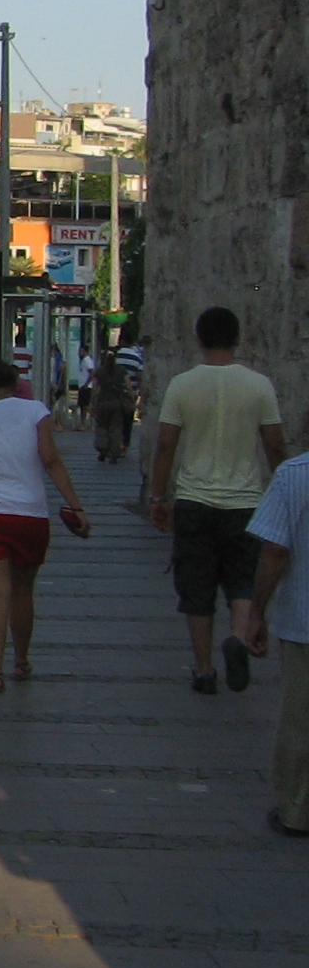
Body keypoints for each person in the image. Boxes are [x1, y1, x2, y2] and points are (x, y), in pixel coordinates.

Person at [149, 306, 286, 693]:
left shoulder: (182, 385)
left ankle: (204, 669)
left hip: (194, 500)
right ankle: (239, 639)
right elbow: (274, 444)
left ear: (199, 339)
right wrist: (284, 489)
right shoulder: (259, 386)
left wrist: (159, 496)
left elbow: (165, 444)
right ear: (238, 338)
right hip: (245, 501)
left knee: (196, 587)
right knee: (242, 580)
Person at [0, 349, 88, 694]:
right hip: (29, 515)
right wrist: (76, 506)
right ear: (13, 382)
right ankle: (21, 660)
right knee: (22, 592)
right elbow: (51, 460)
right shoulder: (35, 411)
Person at [239, 430, 309, 835]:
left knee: (300, 718)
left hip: (303, 619)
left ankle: (297, 811)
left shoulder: (294, 475)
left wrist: (257, 612)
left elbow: (276, 550)